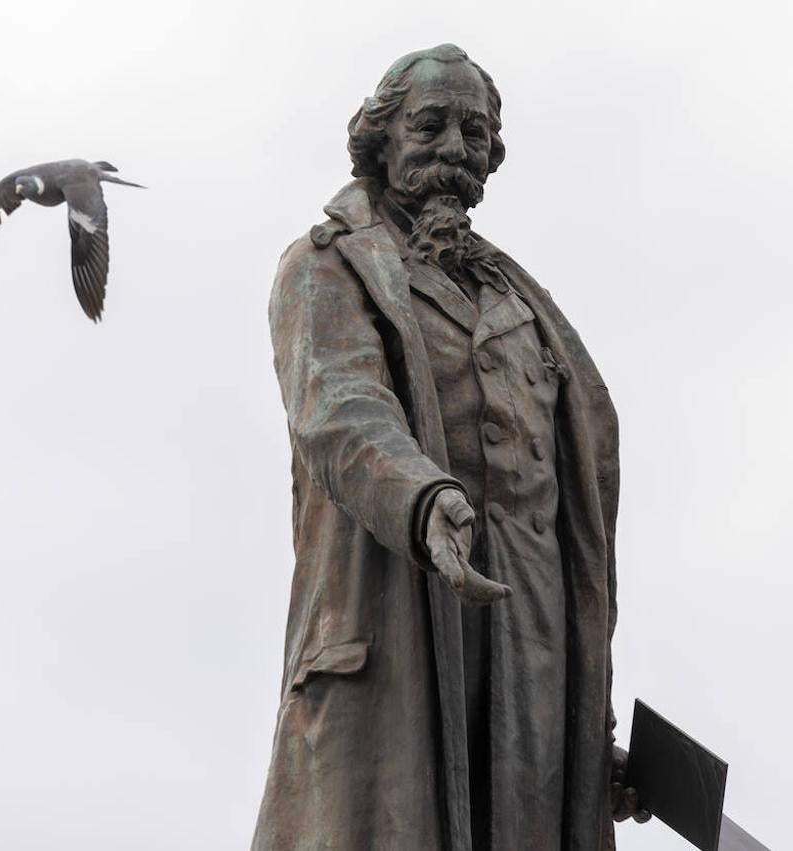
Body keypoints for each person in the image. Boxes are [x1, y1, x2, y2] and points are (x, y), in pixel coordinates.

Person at [254, 44, 645, 851]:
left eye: (475, 132)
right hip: (402, 623)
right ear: (381, 137)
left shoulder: (521, 298)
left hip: (533, 653)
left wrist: (583, 713)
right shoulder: (327, 268)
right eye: (431, 125)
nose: (455, 149)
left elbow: (575, 480)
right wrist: (425, 497)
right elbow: (343, 409)